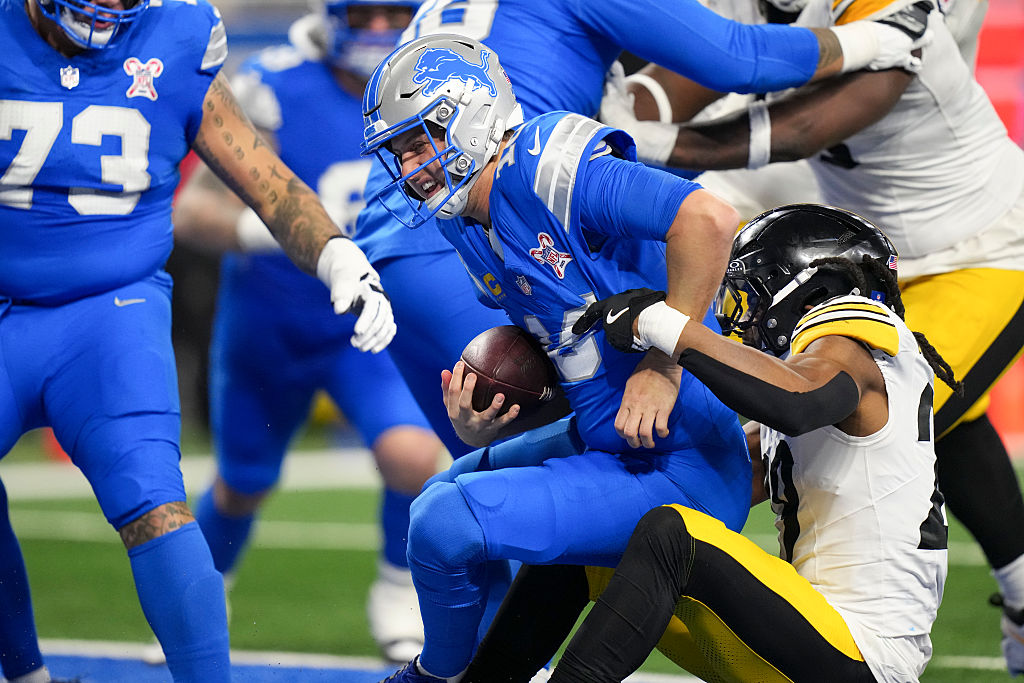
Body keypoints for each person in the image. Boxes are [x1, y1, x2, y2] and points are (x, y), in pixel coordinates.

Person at [598, 0, 1024, 672]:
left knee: (894, 404)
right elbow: (687, 73)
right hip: (873, 255)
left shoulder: (892, 12)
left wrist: (652, 145)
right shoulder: (767, 4)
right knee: (863, 417)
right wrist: (622, 113)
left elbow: (800, 127)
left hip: (981, 245)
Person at [0, 1, 394, 681]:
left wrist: (335, 252)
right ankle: (25, 669)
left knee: (155, 506)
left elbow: (264, 181)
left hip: (108, 313)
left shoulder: (174, 33)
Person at [354, 0, 934, 460]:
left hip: (409, 224)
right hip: (491, 203)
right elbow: (737, 58)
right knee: (642, 438)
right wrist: (877, 39)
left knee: (482, 496)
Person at [361, 33, 759, 683]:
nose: (409, 165)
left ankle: (439, 676)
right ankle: (497, 671)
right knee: (442, 489)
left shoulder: (548, 166)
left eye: (419, 138)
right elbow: (578, 353)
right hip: (607, 439)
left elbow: (707, 219)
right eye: (397, 151)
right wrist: (484, 422)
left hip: (679, 458)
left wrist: (664, 365)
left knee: (442, 522)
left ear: (471, 114)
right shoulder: (466, 221)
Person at [465, 204, 962, 683]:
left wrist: (662, 324)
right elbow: (703, 472)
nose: (743, 315)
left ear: (816, 296)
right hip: (804, 640)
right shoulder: (827, 393)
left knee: (672, 535)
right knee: (594, 533)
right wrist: (529, 417)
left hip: (864, 654)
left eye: (758, 292)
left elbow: (796, 401)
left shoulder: (855, 339)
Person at [170, 0, 441, 664]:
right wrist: (268, 232)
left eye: (393, 15)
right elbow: (193, 208)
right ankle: (203, 594)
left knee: (412, 456)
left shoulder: (439, 89)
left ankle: (396, 587)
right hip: (271, 323)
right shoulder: (273, 81)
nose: (378, 31)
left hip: (366, 326)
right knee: (243, 482)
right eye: (365, 14)